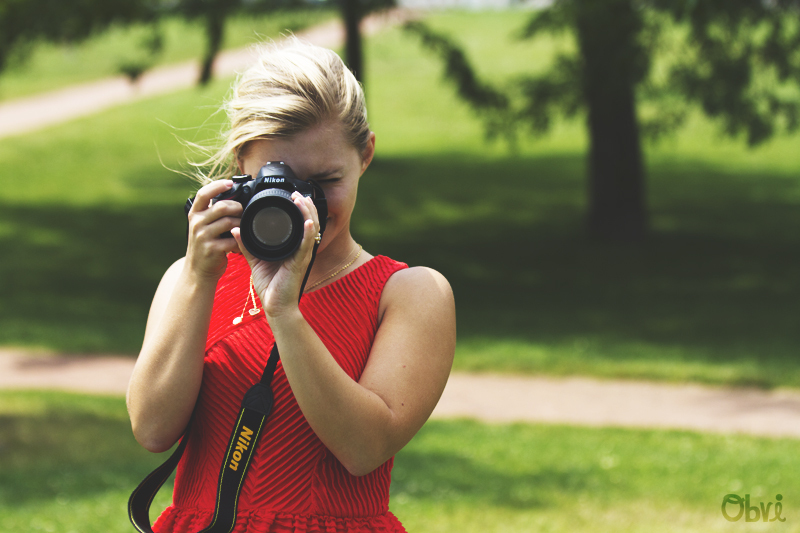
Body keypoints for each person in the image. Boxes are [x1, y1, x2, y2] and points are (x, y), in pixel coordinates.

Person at [126, 37, 456, 533]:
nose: (305, 205)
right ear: (241, 164)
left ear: (365, 154)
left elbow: (363, 448)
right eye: (278, 181)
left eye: (325, 182)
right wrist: (198, 277)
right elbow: (152, 429)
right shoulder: (191, 278)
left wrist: (284, 312)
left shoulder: (409, 293)